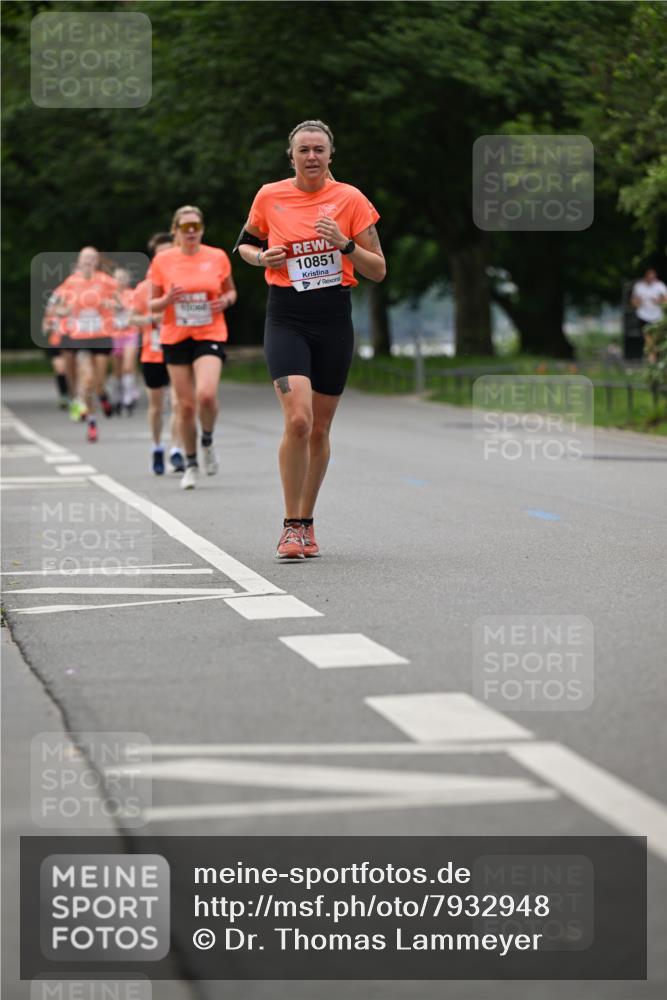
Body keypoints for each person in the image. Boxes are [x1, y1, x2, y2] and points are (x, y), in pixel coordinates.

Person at [235, 119, 385, 560]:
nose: (312, 157)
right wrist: (261, 256)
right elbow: (242, 244)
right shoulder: (270, 195)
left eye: (319, 149)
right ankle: (289, 525)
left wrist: (345, 246)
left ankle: (306, 522)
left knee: (319, 428)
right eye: (304, 150)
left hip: (334, 319)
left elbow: (378, 269)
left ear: (331, 155)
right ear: (292, 156)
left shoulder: (350, 199)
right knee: (297, 419)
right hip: (286, 316)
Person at [150, 206, 236, 490]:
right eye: (185, 227)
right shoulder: (163, 261)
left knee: (207, 395)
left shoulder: (217, 257)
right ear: (175, 231)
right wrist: (167, 300)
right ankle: (190, 463)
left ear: (202, 228)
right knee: (185, 407)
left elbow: (230, 291)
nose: (191, 232)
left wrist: (224, 301)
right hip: (175, 336)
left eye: (195, 226)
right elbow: (151, 304)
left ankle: (207, 442)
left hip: (209, 331)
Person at [132, 233, 185, 475]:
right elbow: (131, 318)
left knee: (178, 402)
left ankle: (176, 450)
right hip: (152, 353)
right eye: (160, 253)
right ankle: (156, 446)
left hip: (178, 349)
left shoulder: (184, 281)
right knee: (156, 406)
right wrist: (151, 319)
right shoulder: (145, 288)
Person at [54, 247, 118, 441]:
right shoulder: (71, 282)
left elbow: (121, 303)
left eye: (92, 258)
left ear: (97, 261)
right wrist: (63, 312)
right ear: (79, 261)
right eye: (85, 258)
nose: (88, 261)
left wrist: (111, 305)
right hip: (80, 336)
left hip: (101, 335)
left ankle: (103, 395)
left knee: (98, 381)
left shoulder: (106, 281)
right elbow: (58, 306)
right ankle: (92, 423)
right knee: (87, 378)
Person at [110, 267, 140, 415]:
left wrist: (122, 307)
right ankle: (118, 395)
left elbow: (135, 310)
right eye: (117, 278)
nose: (120, 281)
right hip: (115, 335)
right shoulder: (108, 295)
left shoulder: (133, 294)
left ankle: (129, 397)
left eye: (123, 278)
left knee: (128, 366)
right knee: (117, 370)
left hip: (130, 333)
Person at [631, 268, 667, 361]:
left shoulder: (660, 286)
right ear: (646, 277)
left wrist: (658, 301)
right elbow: (633, 302)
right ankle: (652, 359)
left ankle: (653, 358)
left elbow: (665, 302)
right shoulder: (639, 286)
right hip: (643, 316)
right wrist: (638, 302)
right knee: (648, 339)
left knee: (654, 340)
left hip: (657, 317)